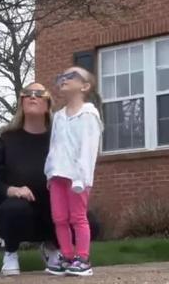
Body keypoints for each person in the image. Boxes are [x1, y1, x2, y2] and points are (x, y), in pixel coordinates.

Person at [0, 82, 61, 276]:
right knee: (15, 207)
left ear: (48, 103)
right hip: (13, 214)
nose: (32, 96)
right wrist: (12, 191)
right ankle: (10, 253)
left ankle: (53, 247)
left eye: (39, 94)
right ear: (21, 102)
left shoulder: (59, 138)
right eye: (27, 93)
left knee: (88, 221)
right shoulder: (5, 138)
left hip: (51, 210)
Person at [44, 66, 103, 277]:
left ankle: (83, 258)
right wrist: (49, 172)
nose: (65, 78)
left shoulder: (89, 115)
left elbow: (88, 148)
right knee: (59, 217)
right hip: (57, 175)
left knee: (78, 217)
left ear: (85, 86)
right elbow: (54, 147)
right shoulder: (58, 117)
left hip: (77, 177)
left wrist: (82, 177)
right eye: (63, 75)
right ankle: (67, 256)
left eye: (72, 76)